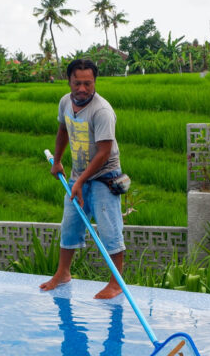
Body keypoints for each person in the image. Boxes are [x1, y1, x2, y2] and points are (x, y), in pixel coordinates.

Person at [39, 59, 125, 299]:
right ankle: (63, 273)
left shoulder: (102, 111)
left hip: (105, 176)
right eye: (78, 83)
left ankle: (116, 283)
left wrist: (80, 182)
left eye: (88, 84)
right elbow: (62, 131)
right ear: (69, 81)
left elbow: (104, 151)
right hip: (79, 176)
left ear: (94, 82)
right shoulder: (65, 102)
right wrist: (57, 161)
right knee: (69, 225)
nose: (83, 89)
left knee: (110, 230)